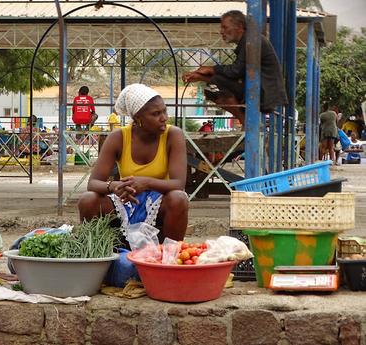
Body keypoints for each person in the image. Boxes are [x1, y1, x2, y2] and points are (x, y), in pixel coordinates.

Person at [78, 83, 189, 241]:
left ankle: (170, 255)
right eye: (156, 114)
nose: (164, 118)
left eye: (164, 110)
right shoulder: (118, 138)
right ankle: (98, 254)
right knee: (88, 200)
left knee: (179, 198)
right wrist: (113, 186)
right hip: (125, 200)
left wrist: (146, 183)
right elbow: (93, 183)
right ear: (138, 118)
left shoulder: (173, 135)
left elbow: (178, 184)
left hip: (159, 202)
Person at [182, 10, 287, 125]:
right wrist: (202, 76)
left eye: (225, 27)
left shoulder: (250, 41)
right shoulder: (248, 41)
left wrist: (212, 69)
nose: (221, 31)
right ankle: (245, 120)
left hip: (264, 92)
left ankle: (245, 121)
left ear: (239, 27)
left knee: (213, 86)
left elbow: (236, 71)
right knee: (212, 87)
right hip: (261, 89)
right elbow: (234, 75)